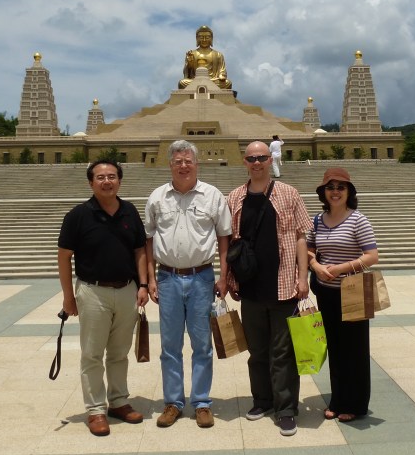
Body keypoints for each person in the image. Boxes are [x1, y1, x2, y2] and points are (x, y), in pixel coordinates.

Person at [57, 160, 149, 437]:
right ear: (91, 182)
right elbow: (64, 256)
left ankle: (118, 401)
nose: (107, 181)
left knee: (119, 352)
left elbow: (140, 250)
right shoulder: (78, 215)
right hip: (93, 291)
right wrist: (68, 297)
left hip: (127, 290)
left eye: (112, 176)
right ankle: (96, 409)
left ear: (119, 180)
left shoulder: (129, 211)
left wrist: (143, 285)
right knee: (92, 353)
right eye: (100, 177)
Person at [145, 140, 232, 429]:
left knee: (202, 344)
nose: (183, 165)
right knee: (170, 345)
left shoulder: (212, 195)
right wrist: (151, 278)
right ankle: (173, 402)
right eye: (178, 161)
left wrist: (223, 276)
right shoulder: (158, 197)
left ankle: (202, 402)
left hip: (201, 277)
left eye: (188, 161)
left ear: (197, 163)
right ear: (170, 164)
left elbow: (224, 238)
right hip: (168, 277)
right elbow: (148, 240)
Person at [226, 141, 311, 436]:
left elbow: (300, 237)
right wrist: (230, 279)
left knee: (282, 353)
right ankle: (262, 401)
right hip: (250, 289)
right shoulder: (235, 197)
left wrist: (303, 277)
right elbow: (229, 242)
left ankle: (286, 409)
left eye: (261, 157)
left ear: (269, 159)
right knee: (257, 352)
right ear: (245, 162)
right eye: (251, 158)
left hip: (284, 286)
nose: (257, 162)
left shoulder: (288, 193)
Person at [307, 168, 379, 422]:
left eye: (341, 187)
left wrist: (341, 268)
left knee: (355, 349)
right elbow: (309, 250)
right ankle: (337, 400)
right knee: (335, 347)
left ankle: (355, 403)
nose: (335, 192)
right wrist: (316, 266)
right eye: (330, 187)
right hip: (326, 292)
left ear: (349, 192)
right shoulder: (318, 220)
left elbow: (372, 255)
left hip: (352, 292)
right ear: (323, 192)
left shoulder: (358, 220)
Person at [179, 25, 232, 90]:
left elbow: (222, 70)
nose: (204, 40)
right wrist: (190, 62)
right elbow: (188, 74)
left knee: (228, 83)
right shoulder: (192, 54)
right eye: (201, 37)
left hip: (213, 80)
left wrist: (222, 75)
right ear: (197, 38)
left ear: (211, 38)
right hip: (196, 81)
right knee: (182, 83)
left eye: (207, 37)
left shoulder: (218, 54)